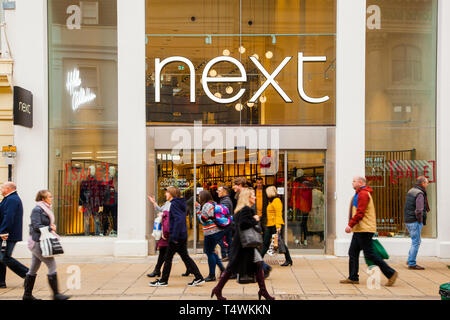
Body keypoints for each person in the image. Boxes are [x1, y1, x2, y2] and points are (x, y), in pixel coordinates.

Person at [211, 188, 274, 300]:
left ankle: (263, 291)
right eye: (253, 195)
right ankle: (217, 289)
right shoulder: (246, 210)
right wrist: (255, 219)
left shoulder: (241, 210)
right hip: (243, 246)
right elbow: (243, 224)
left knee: (258, 265)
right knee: (231, 268)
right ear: (248, 198)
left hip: (244, 245)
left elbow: (236, 226)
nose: (255, 197)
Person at [340, 176, 398, 286]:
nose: (352, 182)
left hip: (364, 229)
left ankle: (391, 273)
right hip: (360, 229)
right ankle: (353, 277)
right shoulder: (359, 193)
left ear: (360, 182)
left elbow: (360, 212)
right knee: (353, 252)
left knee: (370, 254)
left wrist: (350, 225)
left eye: (354, 181)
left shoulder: (363, 194)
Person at [150, 186, 205, 287]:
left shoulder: (174, 204)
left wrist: (174, 237)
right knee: (185, 257)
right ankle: (199, 277)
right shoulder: (179, 203)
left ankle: (163, 281)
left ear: (171, 194)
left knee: (168, 258)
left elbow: (178, 221)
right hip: (181, 235)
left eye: (167, 193)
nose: (165, 194)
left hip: (177, 237)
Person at [23, 190, 70, 300]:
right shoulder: (37, 210)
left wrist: (50, 227)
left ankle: (27, 295)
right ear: (43, 199)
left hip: (39, 241)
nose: (51, 198)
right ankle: (56, 294)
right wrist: (50, 228)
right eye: (49, 196)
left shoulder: (44, 209)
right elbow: (36, 226)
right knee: (52, 265)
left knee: (33, 269)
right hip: (38, 242)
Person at [0, 182, 29, 288]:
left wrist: (3, 231)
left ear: (8, 188)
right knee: (1, 258)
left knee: (5, 258)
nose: (1, 190)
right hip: (7, 233)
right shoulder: (9, 198)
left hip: (8, 234)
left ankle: (28, 274)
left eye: (2, 188)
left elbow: (9, 217)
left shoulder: (12, 199)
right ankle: (1, 282)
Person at [260, 186, 293, 266]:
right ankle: (259, 259)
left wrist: (278, 226)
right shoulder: (271, 201)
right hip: (270, 225)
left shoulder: (277, 201)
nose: (266, 194)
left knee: (280, 243)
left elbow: (279, 214)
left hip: (275, 225)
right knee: (266, 243)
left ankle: (288, 260)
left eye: (267, 192)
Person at [198, 190, 225, 282]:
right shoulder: (213, 203)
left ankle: (212, 275)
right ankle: (222, 269)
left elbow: (202, 220)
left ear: (203, 197)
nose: (198, 198)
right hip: (217, 231)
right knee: (211, 251)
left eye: (199, 196)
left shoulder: (206, 205)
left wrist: (198, 212)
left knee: (209, 252)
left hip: (211, 232)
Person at [404, 176, 430, 270]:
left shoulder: (411, 190)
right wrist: (419, 220)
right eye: (426, 183)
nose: (427, 185)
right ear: (422, 183)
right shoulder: (419, 193)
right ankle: (412, 263)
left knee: (414, 241)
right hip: (414, 221)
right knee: (416, 242)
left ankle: (410, 259)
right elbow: (419, 210)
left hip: (408, 220)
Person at [217, 185, 233, 261]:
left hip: (226, 224)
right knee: (228, 239)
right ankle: (229, 255)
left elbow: (223, 213)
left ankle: (224, 255)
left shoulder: (225, 201)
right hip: (228, 223)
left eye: (219, 191)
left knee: (219, 238)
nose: (217, 192)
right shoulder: (225, 200)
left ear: (225, 192)